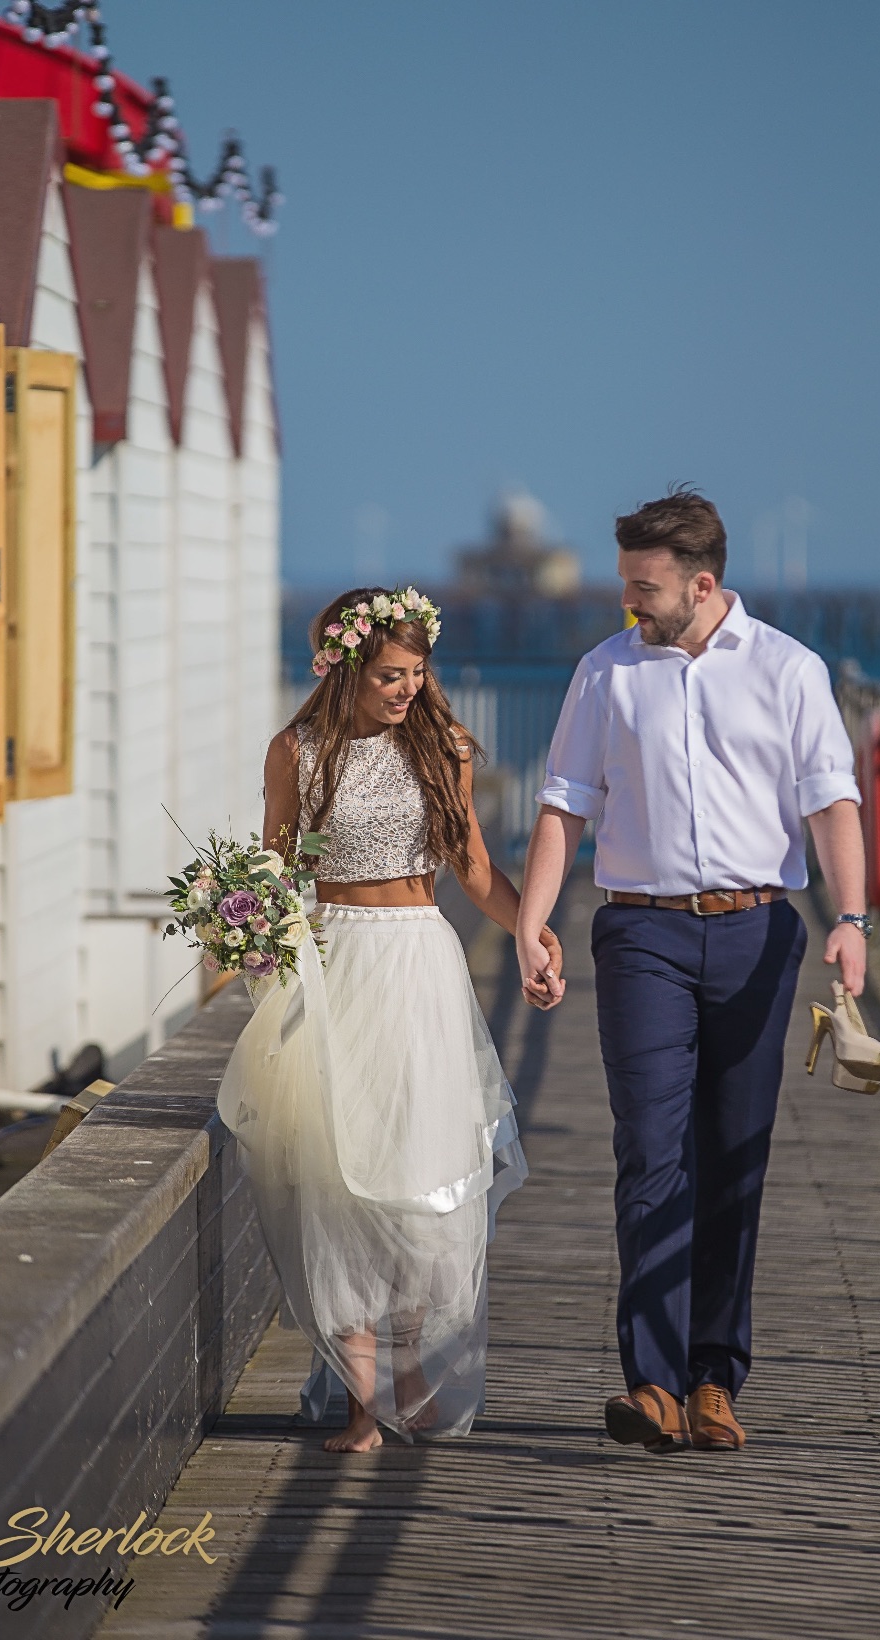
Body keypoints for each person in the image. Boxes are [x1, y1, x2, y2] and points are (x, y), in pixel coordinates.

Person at [515, 487, 869, 1453]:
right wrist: (530, 924)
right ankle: (655, 1383)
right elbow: (563, 805)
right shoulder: (605, 673)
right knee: (650, 1150)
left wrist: (850, 918)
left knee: (734, 1158)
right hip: (640, 937)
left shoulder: (792, 670)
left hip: (760, 935)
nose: (628, 600)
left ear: (701, 582)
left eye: (644, 586)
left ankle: (716, 1376)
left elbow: (831, 803)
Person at [217, 585, 562, 1452]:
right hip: (334, 965)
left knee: (419, 1175)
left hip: (418, 964)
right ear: (343, 670)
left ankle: (411, 1374)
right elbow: (274, 863)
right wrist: (249, 928)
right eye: (387, 676)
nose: (406, 689)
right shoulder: (296, 751)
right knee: (339, 1176)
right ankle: (360, 1407)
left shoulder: (442, 747)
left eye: (415, 673)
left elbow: (475, 863)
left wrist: (531, 936)